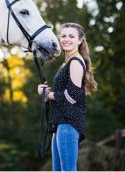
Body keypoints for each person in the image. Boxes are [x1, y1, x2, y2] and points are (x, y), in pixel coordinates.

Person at [37, 22, 97, 171]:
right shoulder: (66, 63)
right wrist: (45, 93)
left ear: (80, 40)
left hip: (68, 123)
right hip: (60, 123)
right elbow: (63, 94)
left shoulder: (76, 62)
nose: (66, 39)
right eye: (63, 36)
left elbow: (74, 96)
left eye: (71, 36)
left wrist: (50, 95)